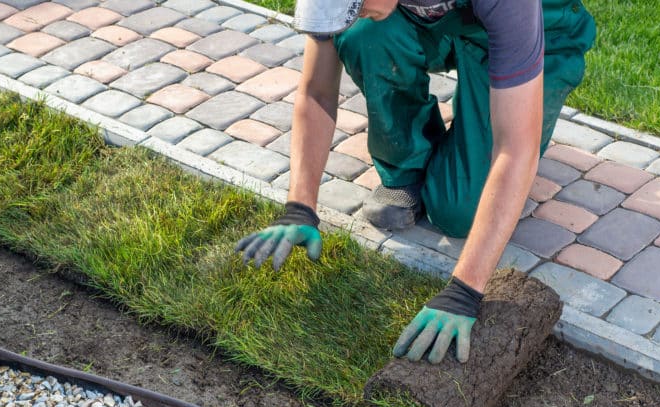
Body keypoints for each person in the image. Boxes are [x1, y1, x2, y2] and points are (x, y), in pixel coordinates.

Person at [235, 0, 595, 364]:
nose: (353, 13)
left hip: (542, 29)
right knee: (365, 34)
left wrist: (464, 291)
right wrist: (299, 207)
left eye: (354, 5)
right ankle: (408, 167)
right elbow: (316, 90)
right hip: (440, 23)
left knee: (458, 212)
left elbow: (515, 148)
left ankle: (486, 108)